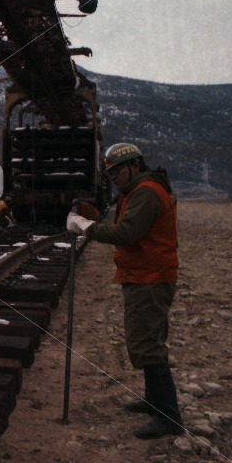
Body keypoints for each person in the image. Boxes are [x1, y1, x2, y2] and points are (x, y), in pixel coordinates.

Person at [67, 142, 183, 440]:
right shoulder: (140, 189)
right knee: (148, 338)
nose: (115, 177)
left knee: (146, 343)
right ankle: (153, 401)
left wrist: (86, 227)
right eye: (111, 173)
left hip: (150, 277)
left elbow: (127, 233)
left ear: (135, 165)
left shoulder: (145, 191)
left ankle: (169, 416)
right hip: (146, 274)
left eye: (119, 170)